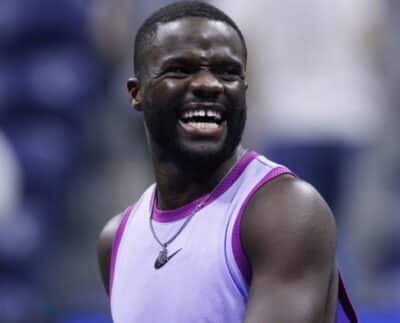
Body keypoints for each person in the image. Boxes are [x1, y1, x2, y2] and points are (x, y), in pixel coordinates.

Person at [97, 1, 358, 322]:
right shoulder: (116, 240)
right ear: (136, 93)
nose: (208, 84)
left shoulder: (285, 211)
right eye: (180, 69)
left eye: (228, 72)